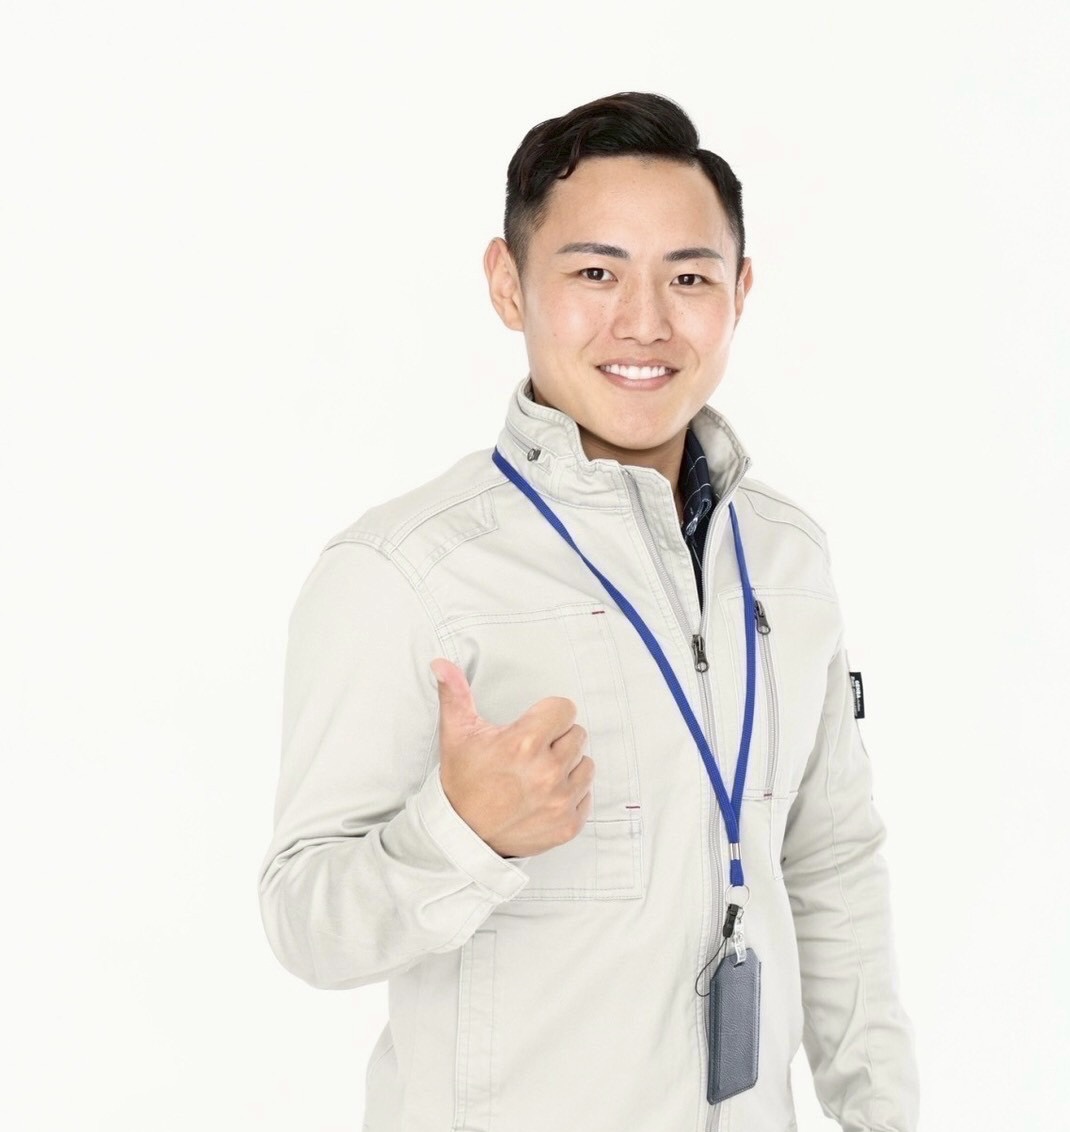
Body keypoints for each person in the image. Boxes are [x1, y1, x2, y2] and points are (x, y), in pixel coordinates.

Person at [258, 91, 919, 1132]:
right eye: (595, 273)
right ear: (507, 282)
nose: (644, 322)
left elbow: (830, 863)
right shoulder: (402, 572)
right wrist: (460, 831)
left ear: (740, 292)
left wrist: (884, 1115)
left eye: (688, 277)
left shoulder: (786, 557)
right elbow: (304, 921)